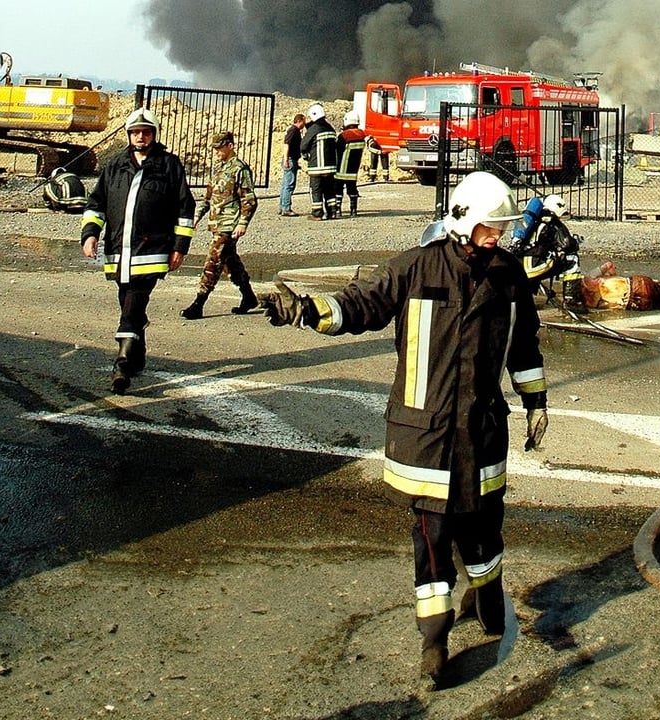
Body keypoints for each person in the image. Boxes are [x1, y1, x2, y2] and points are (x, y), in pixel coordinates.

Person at [261, 171, 549, 690]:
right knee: (432, 537)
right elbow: (359, 304)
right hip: (425, 434)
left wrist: (536, 402)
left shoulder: (508, 276)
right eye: (490, 229)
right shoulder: (416, 268)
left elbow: (524, 345)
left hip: (482, 431)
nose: (498, 238)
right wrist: (305, 310)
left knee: (483, 526)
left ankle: (486, 591)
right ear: (463, 222)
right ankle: (434, 639)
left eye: (502, 230)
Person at [80, 107, 196, 394]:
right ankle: (138, 351)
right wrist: (90, 234)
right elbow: (96, 204)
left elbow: (185, 208)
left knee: (133, 303)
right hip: (120, 252)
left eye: (145, 132)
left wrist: (180, 246)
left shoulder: (169, 165)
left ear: (154, 135)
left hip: (152, 251)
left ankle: (122, 364)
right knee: (127, 301)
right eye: (135, 132)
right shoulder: (115, 166)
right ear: (128, 135)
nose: (140, 137)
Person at [180, 131, 259, 320]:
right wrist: (197, 216)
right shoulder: (218, 168)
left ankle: (198, 303)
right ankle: (249, 297)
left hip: (228, 226)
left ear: (230, 146)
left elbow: (249, 200)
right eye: (214, 148)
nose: (216, 152)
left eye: (219, 148)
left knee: (213, 262)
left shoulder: (240, 169)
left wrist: (242, 223)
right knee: (231, 264)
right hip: (217, 223)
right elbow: (209, 198)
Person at [300, 103, 340, 220]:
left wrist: (306, 155)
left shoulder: (314, 129)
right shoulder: (331, 128)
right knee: (329, 190)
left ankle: (317, 213)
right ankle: (332, 212)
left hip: (317, 167)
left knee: (316, 190)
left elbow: (303, 146)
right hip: (331, 167)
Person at [336, 111, 370, 218]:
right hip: (353, 169)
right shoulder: (362, 134)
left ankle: (338, 211)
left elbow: (337, 149)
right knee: (352, 189)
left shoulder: (344, 135)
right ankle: (353, 210)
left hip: (341, 168)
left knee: (338, 189)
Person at [279, 113, 306, 216]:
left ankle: (282, 207)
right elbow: (287, 144)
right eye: (304, 121)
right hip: (290, 159)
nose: (305, 124)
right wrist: (286, 159)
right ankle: (286, 208)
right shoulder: (293, 130)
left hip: (290, 159)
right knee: (289, 184)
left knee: (285, 184)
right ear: (299, 121)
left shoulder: (293, 130)